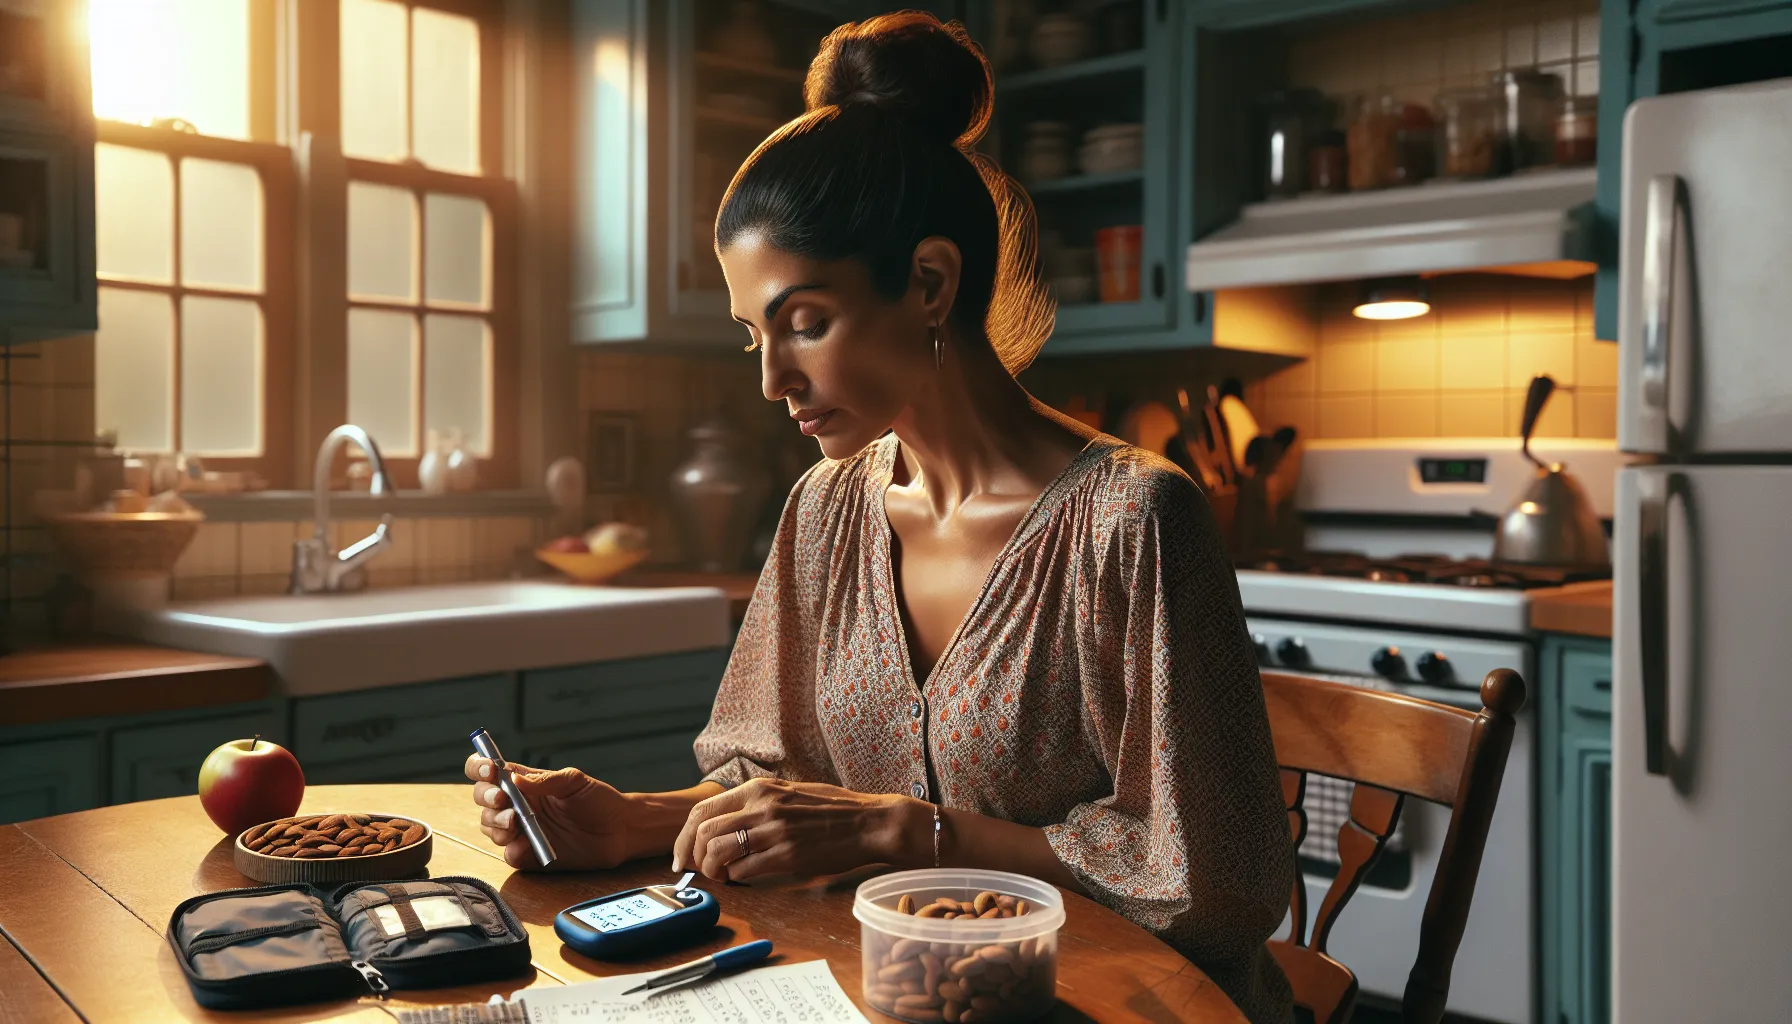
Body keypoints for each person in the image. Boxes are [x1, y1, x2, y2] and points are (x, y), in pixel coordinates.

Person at [464, 12, 1293, 1021]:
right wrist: (634, 819)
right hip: (895, 993)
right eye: (752, 335)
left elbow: (1208, 882)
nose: (773, 378)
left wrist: (907, 831)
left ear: (930, 282)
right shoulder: (824, 510)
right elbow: (791, 796)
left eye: (804, 322)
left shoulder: (1130, 520)